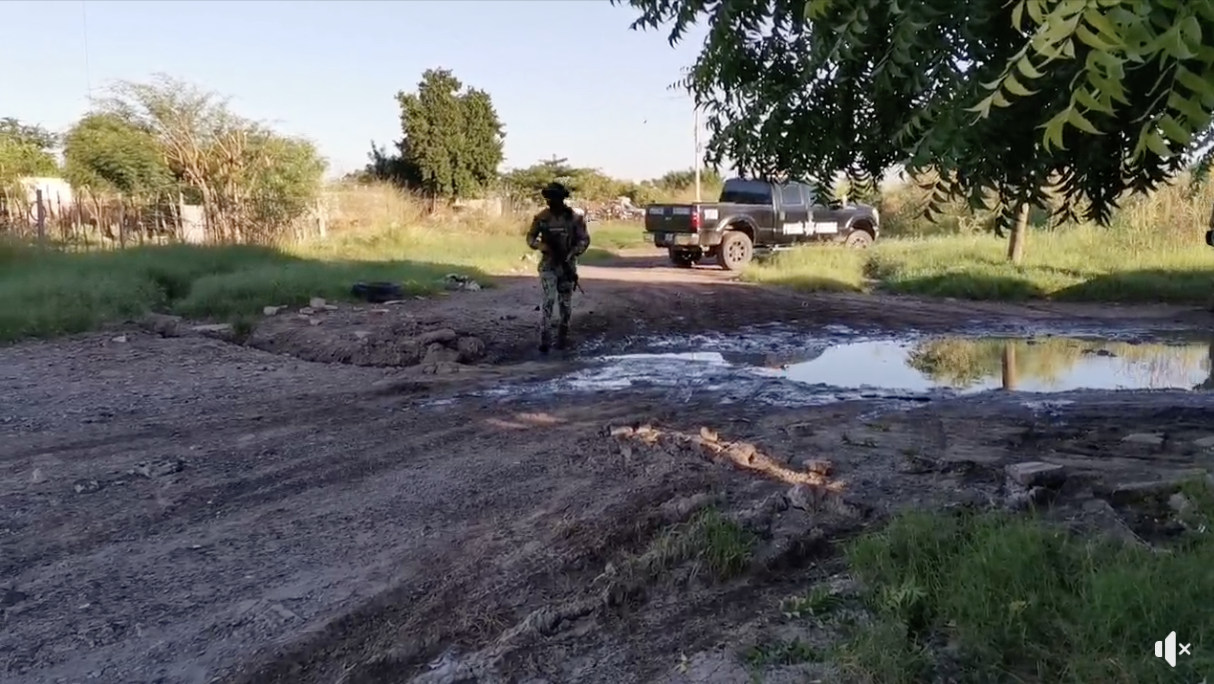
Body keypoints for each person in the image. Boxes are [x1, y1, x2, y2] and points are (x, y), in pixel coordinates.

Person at [525, 181, 590, 353]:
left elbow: (584, 239)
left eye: (553, 198)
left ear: (562, 199)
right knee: (549, 299)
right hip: (548, 264)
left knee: (565, 303)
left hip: (567, 264)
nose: (550, 201)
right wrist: (542, 247)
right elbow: (530, 238)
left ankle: (563, 336)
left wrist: (573, 252)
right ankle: (545, 338)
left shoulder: (574, 218)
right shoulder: (542, 218)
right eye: (548, 198)